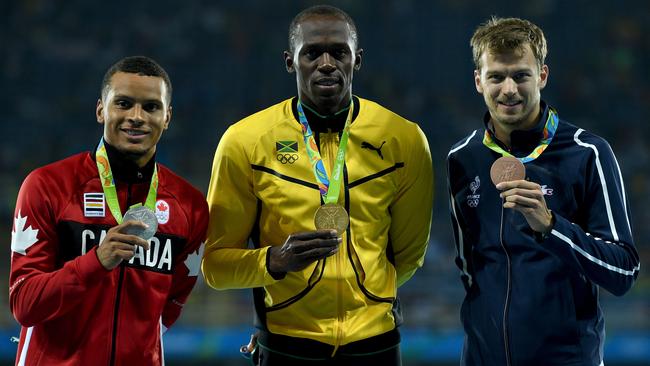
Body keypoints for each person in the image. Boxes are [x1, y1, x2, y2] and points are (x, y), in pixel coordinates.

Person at [202, 5, 433, 365]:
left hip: (376, 346)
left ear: (357, 60)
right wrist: (275, 261)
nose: (326, 63)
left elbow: (407, 257)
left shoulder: (404, 139)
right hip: (285, 346)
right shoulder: (244, 142)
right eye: (311, 53)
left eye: (339, 52)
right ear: (290, 61)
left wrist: (365, 297)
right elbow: (215, 266)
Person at [447, 17, 640, 365]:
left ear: (542, 76)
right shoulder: (462, 158)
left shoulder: (587, 153)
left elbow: (623, 271)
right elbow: (468, 265)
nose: (508, 89)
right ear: (479, 81)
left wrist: (551, 227)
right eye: (496, 76)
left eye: (521, 75)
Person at [9, 56, 208, 365]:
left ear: (167, 117)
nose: (137, 117)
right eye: (124, 103)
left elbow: (169, 307)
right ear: (101, 110)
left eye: (151, 107)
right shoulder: (47, 186)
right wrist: (96, 262)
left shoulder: (190, 206)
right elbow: (24, 304)